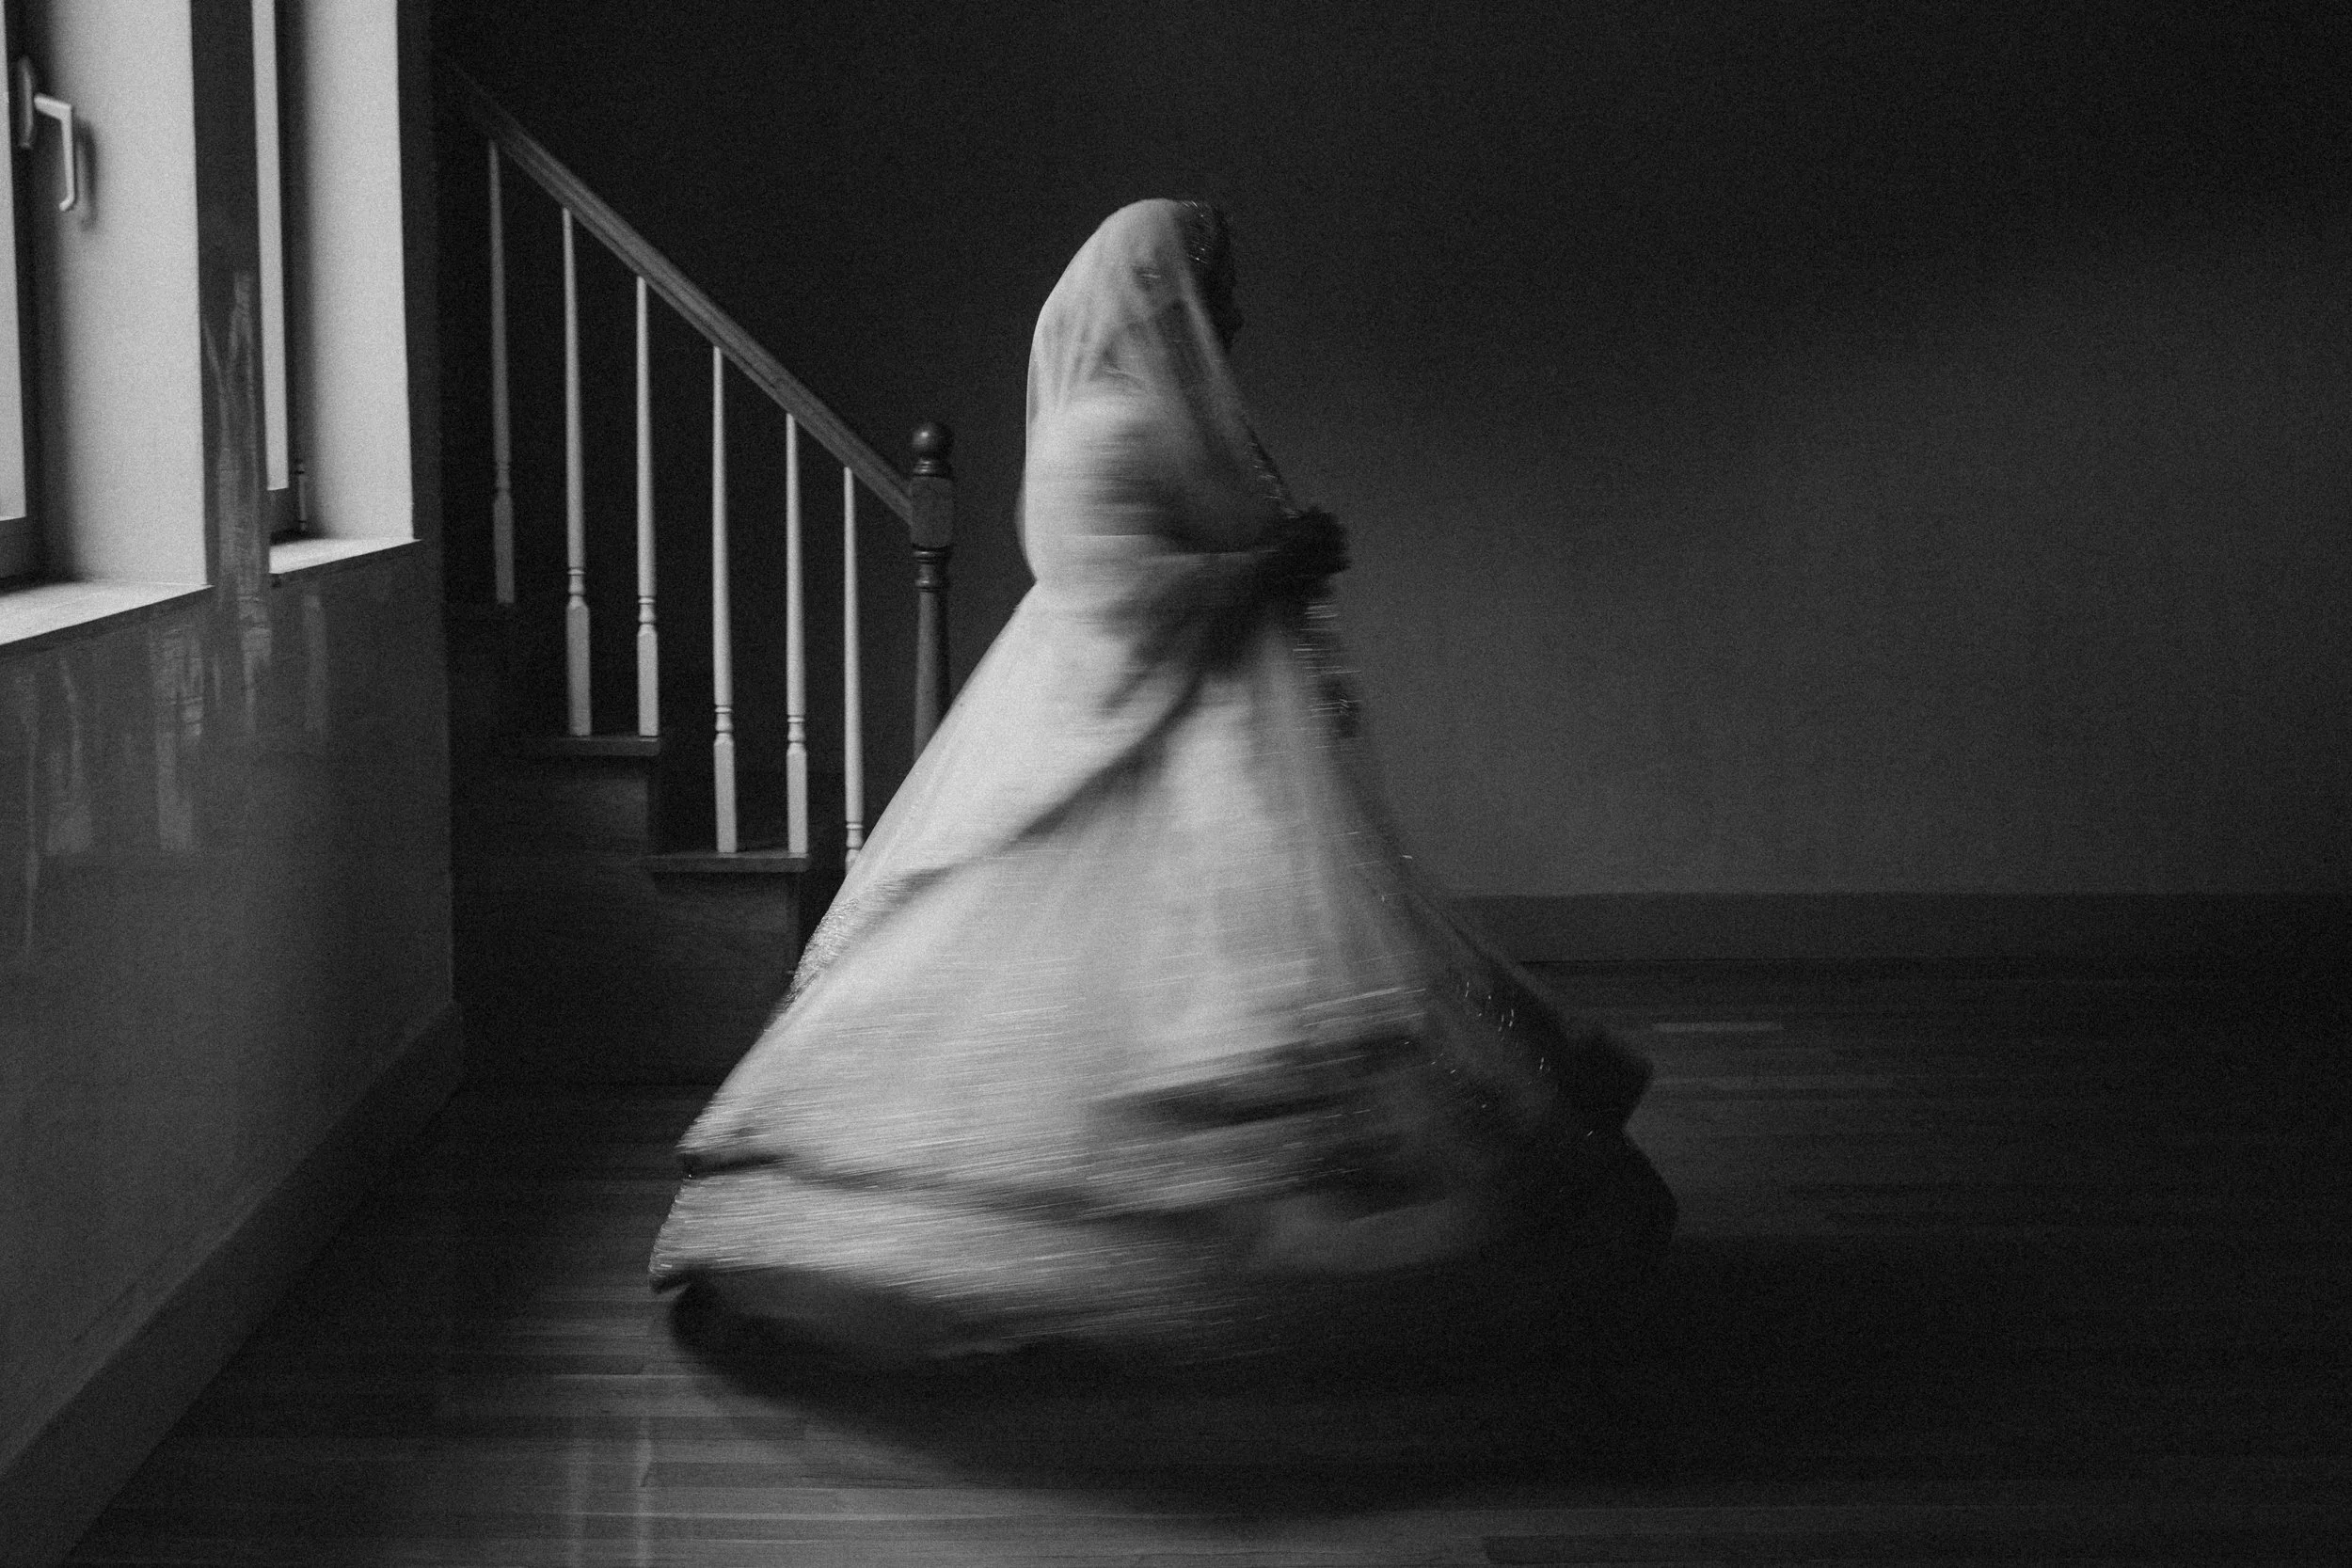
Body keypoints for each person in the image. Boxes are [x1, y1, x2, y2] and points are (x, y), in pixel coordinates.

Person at [649, 198, 1673, 1370]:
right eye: (1209, 285)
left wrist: (1278, 564)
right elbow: (1112, 596)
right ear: (1152, 292)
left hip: (1225, 750)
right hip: (1132, 754)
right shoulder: (1106, 429)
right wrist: (1267, 565)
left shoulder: (1172, 418)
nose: (1228, 312)